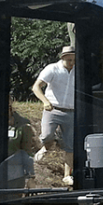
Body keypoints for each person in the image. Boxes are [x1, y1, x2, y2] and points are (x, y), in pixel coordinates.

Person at [32, 46, 76, 186]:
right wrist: (45, 101)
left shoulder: (78, 70)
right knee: (46, 136)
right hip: (53, 109)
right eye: (69, 60)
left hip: (71, 111)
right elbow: (36, 87)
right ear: (62, 58)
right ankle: (46, 147)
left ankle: (67, 176)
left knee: (70, 146)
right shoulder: (52, 68)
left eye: (74, 60)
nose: (71, 63)